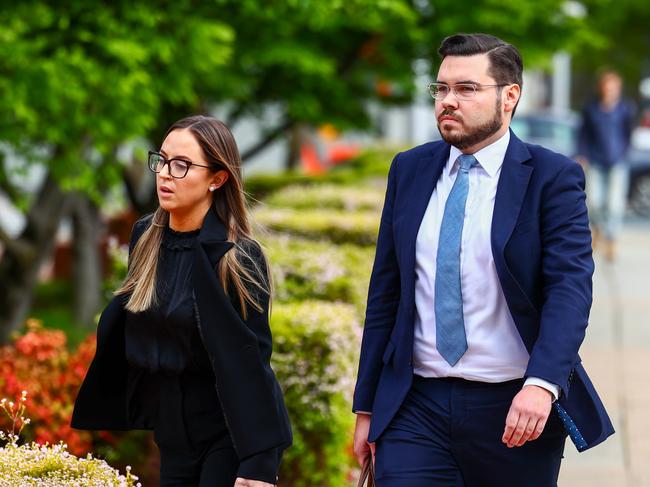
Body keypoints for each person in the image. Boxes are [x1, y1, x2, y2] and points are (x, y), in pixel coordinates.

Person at [352, 33, 613, 487]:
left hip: (514, 410)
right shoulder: (409, 170)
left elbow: (569, 289)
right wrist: (368, 405)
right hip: (416, 406)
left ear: (509, 96)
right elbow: (386, 293)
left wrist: (542, 384)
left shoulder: (552, 177)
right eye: (442, 88)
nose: (448, 101)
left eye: (466, 88)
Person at [72, 115, 292, 487]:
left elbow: (253, 362)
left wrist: (259, 462)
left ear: (217, 179)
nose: (164, 174)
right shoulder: (146, 237)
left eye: (182, 165)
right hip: (171, 435)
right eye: (162, 160)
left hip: (227, 436)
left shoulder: (236, 257)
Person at [576, 69, 636, 261]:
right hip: (595, 161)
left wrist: (624, 152)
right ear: (601, 88)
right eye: (607, 87)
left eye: (613, 88)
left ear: (618, 89)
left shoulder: (626, 108)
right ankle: (598, 229)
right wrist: (582, 154)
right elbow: (583, 134)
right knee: (593, 202)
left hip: (617, 162)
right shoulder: (591, 108)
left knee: (614, 205)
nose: (610, 91)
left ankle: (611, 241)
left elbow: (628, 134)